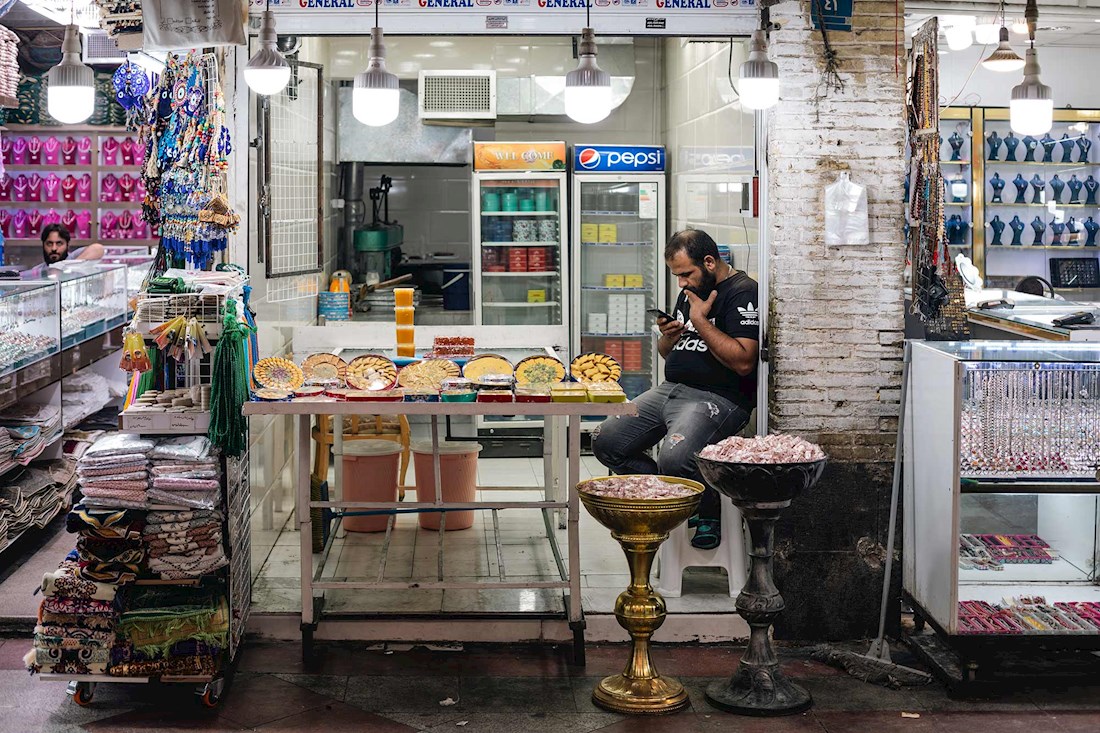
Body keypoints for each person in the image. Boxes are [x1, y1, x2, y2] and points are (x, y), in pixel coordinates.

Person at [592, 229, 759, 550]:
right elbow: (670, 352)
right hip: (671, 389)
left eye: (685, 274)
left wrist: (701, 319)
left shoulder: (742, 292)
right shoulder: (692, 289)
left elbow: (743, 362)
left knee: (676, 458)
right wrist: (668, 334)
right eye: (677, 276)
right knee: (606, 442)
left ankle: (707, 510)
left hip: (718, 397)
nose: (681, 283)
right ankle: (673, 495)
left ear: (709, 262)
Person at [22, 223, 105, 279]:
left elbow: (98, 249)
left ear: (67, 245)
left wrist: (69, 267)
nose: (54, 248)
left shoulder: (72, 259)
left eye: (59, 243)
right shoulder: (37, 270)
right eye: (49, 244)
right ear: (43, 245)